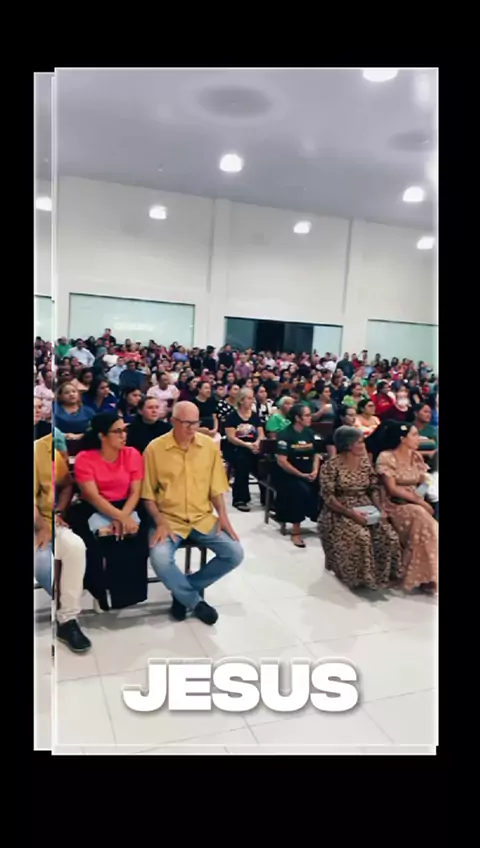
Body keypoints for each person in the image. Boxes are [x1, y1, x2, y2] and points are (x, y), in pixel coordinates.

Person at [142, 400, 244, 625]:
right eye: (186, 423)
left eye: (195, 423)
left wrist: (224, 517)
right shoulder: (155, 449)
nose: (192, 428)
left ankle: (182, 593)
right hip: (169, 519)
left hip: (202, 517)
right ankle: (194, 602)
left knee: (234, 553)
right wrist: (159, 521)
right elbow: (148, 494)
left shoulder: (208, 446)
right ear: (173, 421)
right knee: (160, 558)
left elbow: (216, 488)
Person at [73, 413, 148, 609]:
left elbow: (135, 492)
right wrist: (120, 517)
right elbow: (92, 496)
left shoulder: (132, 454)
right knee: (94, 545)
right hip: (94, 506)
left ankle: (127, 596)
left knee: (135, 542)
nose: (124, 435)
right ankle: (98, 591)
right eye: (118, 431)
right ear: (102, 436)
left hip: (127, 504)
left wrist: (123, 516)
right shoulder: (85, 458)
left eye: (125, 430)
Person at [319, 426, 402, 589]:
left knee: (389, 535)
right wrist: (351, 513)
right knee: (361, 536)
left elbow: (373, 488)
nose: (364, 445)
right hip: (340, 510)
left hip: (366, 505)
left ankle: (382, 576)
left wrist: (379, 508)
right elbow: (328, 497)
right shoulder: (330, 466)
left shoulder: (364, 463)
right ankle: (359, 579)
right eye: (360, 442)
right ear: (349, 445)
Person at [34, 433, 92, 652]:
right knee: (42, 560)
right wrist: (41, 527)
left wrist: (57, 512)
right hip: (39, 524)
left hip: (46, 520)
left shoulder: (45, 450)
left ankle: (67, 620)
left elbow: (67, 484)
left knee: (75, 546)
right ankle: (64, 604)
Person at [375, 421, 438, 594]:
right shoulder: (386, 457)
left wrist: (420, 495)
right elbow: (392, 489)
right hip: (394, 505)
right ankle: (424, 575)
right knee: (421, 516)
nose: (419, 438)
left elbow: (425, 480)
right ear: (402, 438)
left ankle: (428, 575)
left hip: (415, 502)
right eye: (415, 435)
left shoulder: (415, 456)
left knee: (424, 523)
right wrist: (418, 501)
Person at [275, 403, 321, 547]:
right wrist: (300, 474)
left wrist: (315, 471)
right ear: (297, 418)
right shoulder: (285, 435)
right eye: (307, 415)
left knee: (326, 486)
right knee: (299, 490)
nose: (310, 418)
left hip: (309, 470)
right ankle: (296, 532)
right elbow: (282, 461)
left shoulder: (309, 433)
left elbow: (316, 455)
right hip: (290, 473)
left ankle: (321, 521)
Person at [225, 387, 265, 511]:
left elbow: (261, 434)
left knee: (264, 464)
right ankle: (240, 499)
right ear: (241, 400)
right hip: (237, 447)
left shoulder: (254, 416)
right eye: (249, 398)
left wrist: (257, 443)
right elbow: (231, 437)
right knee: (242, 462)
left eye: (252, 398)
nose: (252, 401)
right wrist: (247, 445)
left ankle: (267, 498)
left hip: (253, 447)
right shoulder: (232, 417)